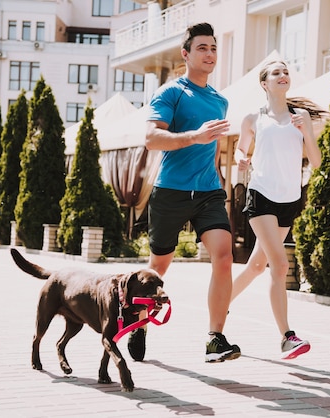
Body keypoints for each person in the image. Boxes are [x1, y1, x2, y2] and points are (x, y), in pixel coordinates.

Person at [127, 22, 240, 363]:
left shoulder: (221, 101)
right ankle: (140, 322)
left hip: (208, 192)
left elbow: (212, 149)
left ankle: (215, 339)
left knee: (224, 258)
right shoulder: (171, 93)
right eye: (202, 48)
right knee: (158, 268)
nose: (210, 54)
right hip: (171, 192)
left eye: (214, 48)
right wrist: (194, 135)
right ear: (186, 54)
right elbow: (151, 138)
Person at [231, 60, 324, 360]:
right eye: (276, 73)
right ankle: (287, 337)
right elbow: (240, 149)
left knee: (258, 267)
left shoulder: (302, 117)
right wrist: (241, 160)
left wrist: (307, 132)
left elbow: (317, 161)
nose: (283, 76)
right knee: (280, 266)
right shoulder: (253, 118)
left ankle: (220, 303)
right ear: (264, 84)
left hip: (288, 200)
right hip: (261, 196)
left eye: (286, 72)